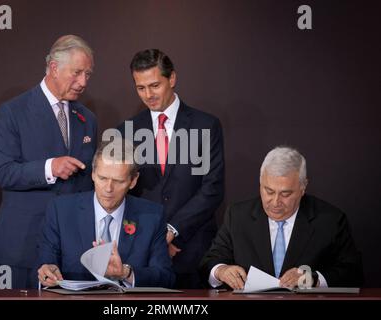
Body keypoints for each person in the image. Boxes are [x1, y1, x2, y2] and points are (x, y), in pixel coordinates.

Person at [0, 35, 98, 289]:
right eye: (77, 73)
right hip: (23, 247)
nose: (83, 82)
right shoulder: (13, 112)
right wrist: (50, 167)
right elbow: (4, 172)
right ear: (53, 68)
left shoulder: (88, 118)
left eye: (88, 74)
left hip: (73, 251)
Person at [118, 49, 225, 288]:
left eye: (155, 85)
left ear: (172, 79)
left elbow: (212, 189)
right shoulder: (126, 131)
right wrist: (154, 237)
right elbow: (123, 193)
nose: (148, 95)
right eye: (140, 88)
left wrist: (173, 231)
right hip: (143, 254)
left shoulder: (206, 125)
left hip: (193, 249)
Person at [200, 146, 363, 289]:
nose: (275, 202)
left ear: (303, 187)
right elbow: (210, 261)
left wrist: (313, 279)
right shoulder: (237, 216)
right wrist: (221, 271)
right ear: (260, 183)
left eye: (285, 193)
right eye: (269, 191)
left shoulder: (330, 220)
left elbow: (353, 272)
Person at [37, 139, 175, 288]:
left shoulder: (152, 216)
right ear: (93, 174)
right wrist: (48, 272)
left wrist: (125, 273)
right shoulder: (61, 210)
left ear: (133, 181)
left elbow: (165, 278)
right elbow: (46, 264)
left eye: (118, 181)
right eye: (102, 178)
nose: (108, 189)